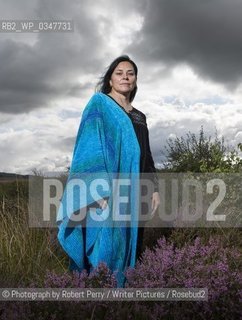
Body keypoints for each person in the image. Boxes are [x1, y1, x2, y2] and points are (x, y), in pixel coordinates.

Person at [57, 55, 160, 287]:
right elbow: (88, 148)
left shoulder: (140, 116)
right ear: (110, 80)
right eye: (119, 72)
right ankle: (100, 292)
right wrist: (97, 191)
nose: (125, 76)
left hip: (137, 189)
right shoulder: (100, 104)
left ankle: (124, 293)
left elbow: (147, 156)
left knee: (133, 241)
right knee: (106, 242)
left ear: (135, 80)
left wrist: (154, 188)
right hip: (106, 191)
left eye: (130, 73)